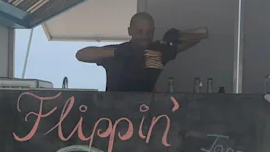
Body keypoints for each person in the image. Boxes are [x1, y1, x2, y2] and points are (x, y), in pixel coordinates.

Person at [75, 12, 206, 92]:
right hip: (114, 109)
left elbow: (201, 35)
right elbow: (81, 55)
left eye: (149, 32)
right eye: (140, 32)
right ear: (129, 31)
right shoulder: (117, 51)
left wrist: (178, 36)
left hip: (145, 110)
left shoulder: (159, 50)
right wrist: (117, 52)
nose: (144, 36)